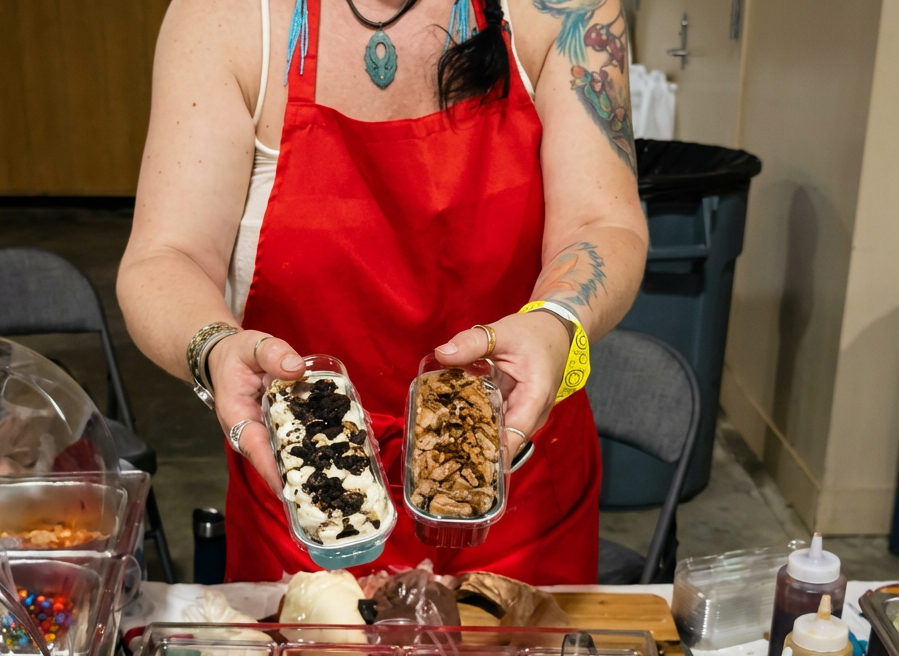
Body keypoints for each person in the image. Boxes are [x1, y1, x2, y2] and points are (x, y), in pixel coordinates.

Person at [118, 0, 647, 584]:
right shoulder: (224, 19)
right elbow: (165, 258)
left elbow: (605, 225)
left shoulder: (568, 10)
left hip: (511, 482)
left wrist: (555, 321)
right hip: (313, 501)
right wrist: (214, 349)